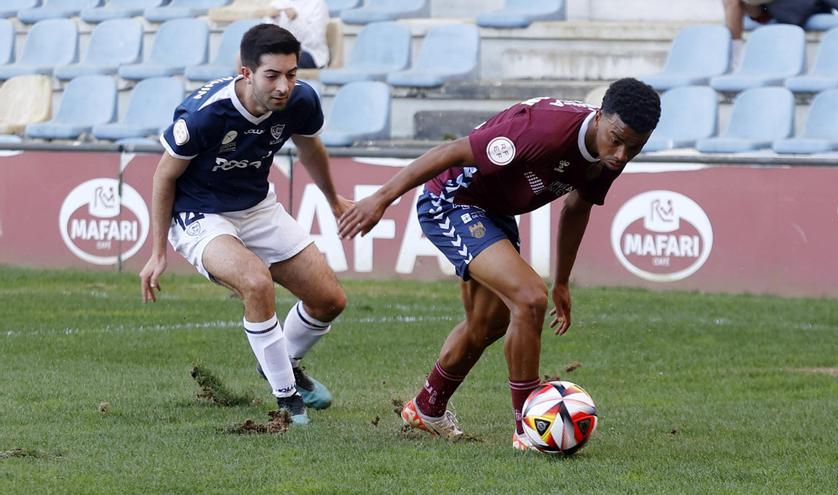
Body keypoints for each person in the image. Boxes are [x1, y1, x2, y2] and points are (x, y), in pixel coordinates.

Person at [338, 78, 661, 450]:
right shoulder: (543, 129)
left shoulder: (610, 155)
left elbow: (577, 207)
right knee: (529, 298)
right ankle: (528, 425)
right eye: (617, 139)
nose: (621, 154)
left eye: (635, 147)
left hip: (494, 212)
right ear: (601, 116)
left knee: (488, 324)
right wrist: (381, 198)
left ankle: (427, 408)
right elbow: (454, 152)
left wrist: (562, 280)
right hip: (452, 199)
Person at [139, 24, 351, 425]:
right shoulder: (204, 115)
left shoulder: (300, 101)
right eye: (272, 75)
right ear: (246, 72)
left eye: (291, 74)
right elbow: (163, 177)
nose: (283, 86)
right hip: (200, 213)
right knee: (256, 283)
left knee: (329, 300)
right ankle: (288, 400)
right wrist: (157, 254)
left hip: (256, 207)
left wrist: (332, 198)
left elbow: (310, 149)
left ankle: (279, 362)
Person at [266, 0, 330, 69]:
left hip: (311, 53)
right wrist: (273, 21)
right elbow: (267, 39)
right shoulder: (276, 4)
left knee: (284, 63)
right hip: (280, 52)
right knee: (260, 61)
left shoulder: (317, 3)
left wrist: (296, 20)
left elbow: (315, 41)